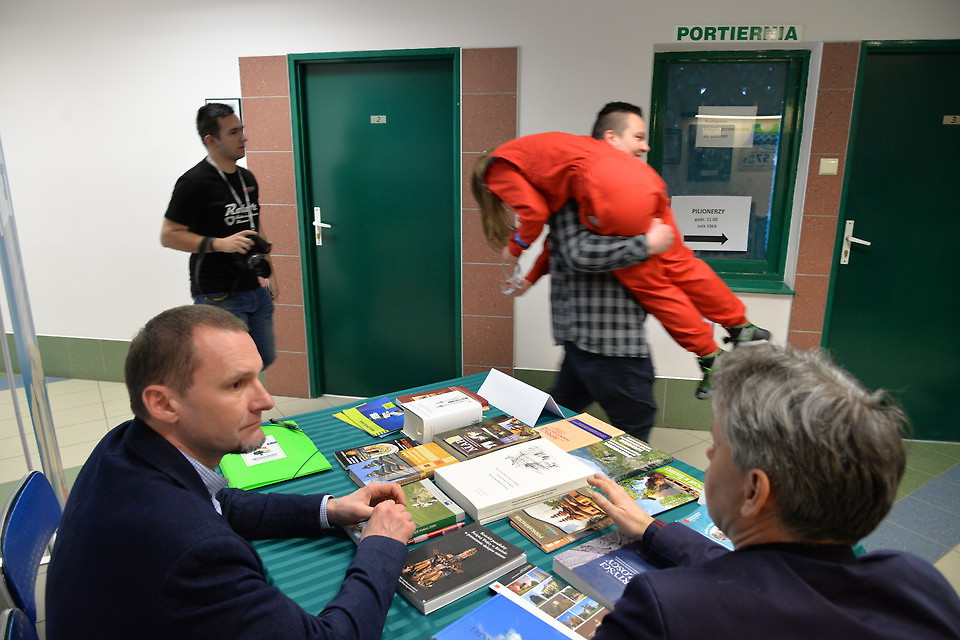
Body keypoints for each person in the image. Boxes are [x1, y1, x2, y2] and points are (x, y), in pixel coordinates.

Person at [46, 305, 416, 639]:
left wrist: (330, 509)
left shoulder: (126, 444)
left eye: (258, 377)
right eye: (236, 384)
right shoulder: (196, 554)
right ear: (162, 403)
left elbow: (219, 501)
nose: (266, 401)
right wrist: (381, 544)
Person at [585, 343, 960, 640]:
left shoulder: (661, 610)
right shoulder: (917, 582)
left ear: (754, 491)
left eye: (718, 446)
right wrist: (651, 529)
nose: (709, 454)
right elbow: (767, 580)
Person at [474, 103, 769, 398]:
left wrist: (514, 249)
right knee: (681, 262)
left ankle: (710, 356)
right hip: (644, 181)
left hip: (614, 187)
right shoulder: (557, 159)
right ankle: (739, 325)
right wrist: (530, 278)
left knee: (651, 284)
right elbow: (557, 239)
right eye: (638, 138)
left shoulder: (495, 170)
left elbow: (537, 215)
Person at [161, 102, 276, 369]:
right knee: (230, 368)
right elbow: (169, 236)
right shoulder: (193, 183)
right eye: (234, 132)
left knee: (262, 359)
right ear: (211, 140)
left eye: (241, 130)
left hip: (253, 288)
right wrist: (221, 244)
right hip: (217, 294)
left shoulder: (246, 178)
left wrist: (270, 273)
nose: (243, 137)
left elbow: (255, 224)